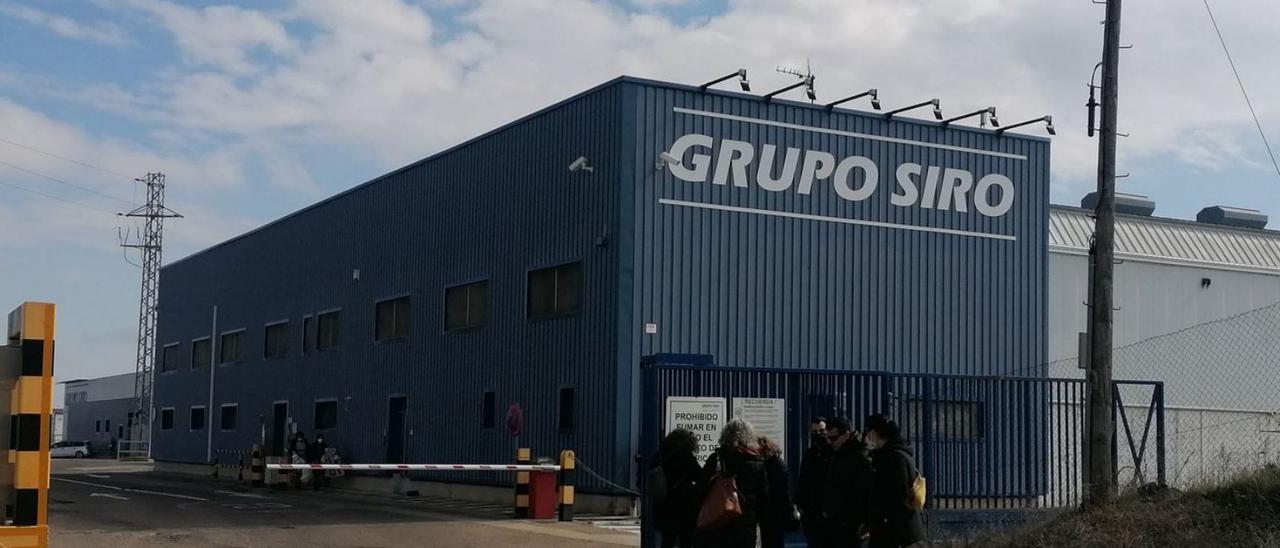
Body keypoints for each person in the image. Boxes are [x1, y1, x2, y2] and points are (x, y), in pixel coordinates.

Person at [700, 418, 770, 548]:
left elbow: (702, 487)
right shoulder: (757, 463)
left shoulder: (716, 458)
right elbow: (763, 496)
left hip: (718, 520)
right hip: (745, 525)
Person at [864, 414, 925, 548]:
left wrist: (881, 520)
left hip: (894, 533)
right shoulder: (895, 454)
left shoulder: (893, 458)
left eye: (867, 432)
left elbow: (897, 495)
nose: (866, 438)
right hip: (895, 530)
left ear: (874, 433)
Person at [821, 417, 872, 547]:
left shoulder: (859, 455)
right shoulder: (838, 453)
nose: (830, 442)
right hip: (837, 520)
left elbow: (866, 490)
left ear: (847, 434)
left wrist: (865, 521)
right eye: (828, 438)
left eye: (834, 438)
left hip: (852, 523)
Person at [652, 428, 704, 548]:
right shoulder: (686, 456)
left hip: (663, 502)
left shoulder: (660, 455)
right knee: (686, 539)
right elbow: (699, 474)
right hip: (683, 505)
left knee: (667, 539)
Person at [757, 436, 797, 548]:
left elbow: (782, 492)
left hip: (774, 512)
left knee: (772, 541)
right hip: (775, 512)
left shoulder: (772, 466)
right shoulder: (777, 464)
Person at [798, 417, 831, 547]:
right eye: (815, 432)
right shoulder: (809, 454)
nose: (818, 435)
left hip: (828, 514)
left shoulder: (834, 454)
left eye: (822, 431)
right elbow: (803, 480)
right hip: (812, 514)